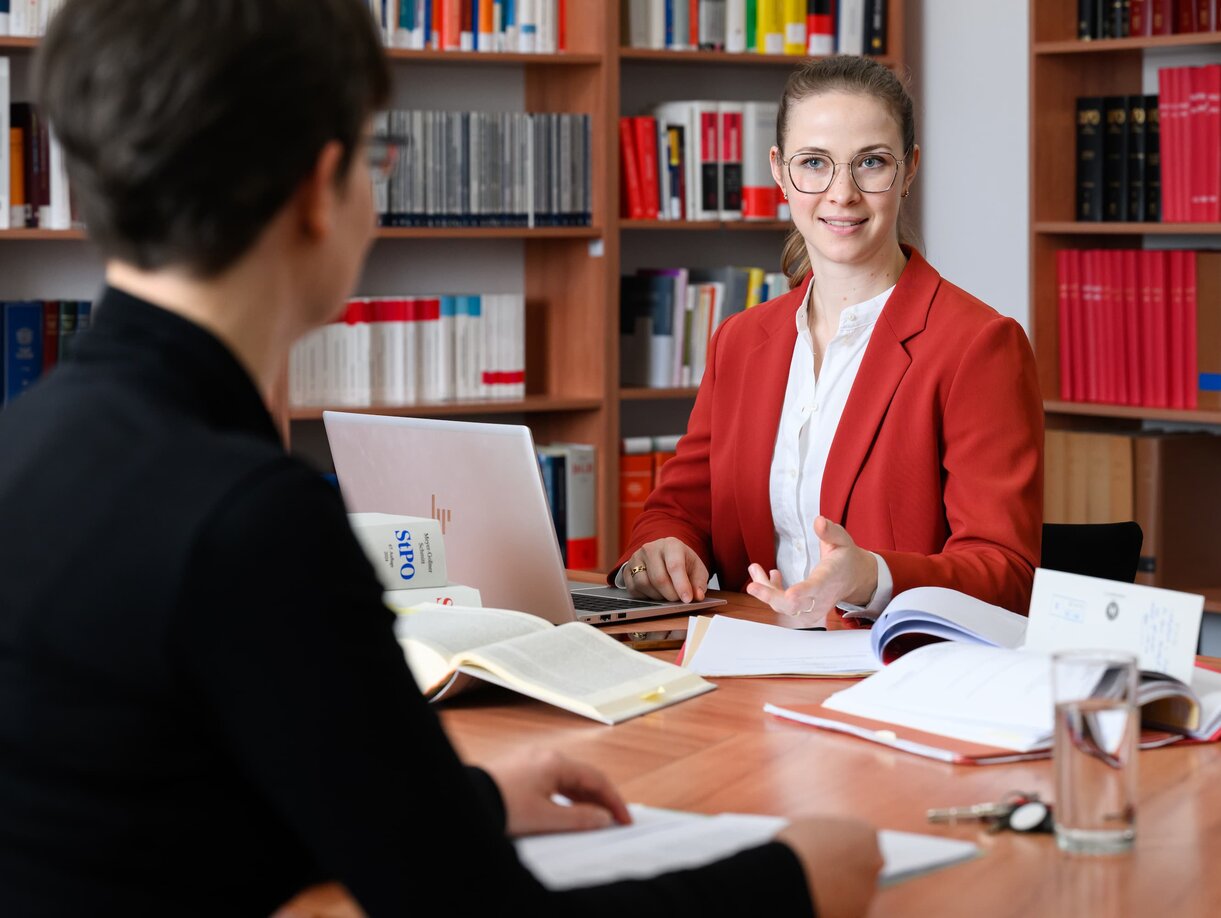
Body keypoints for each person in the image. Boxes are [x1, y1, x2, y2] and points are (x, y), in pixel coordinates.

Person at [0, 2, 882, 915]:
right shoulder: (252, 520)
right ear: (320, 187)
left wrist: (476, 802)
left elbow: (177, 800)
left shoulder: (26, 447)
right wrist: (797, 882)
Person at [616, 57, 1042, 626]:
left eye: (871, 162)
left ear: (910, 169)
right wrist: (662, 552)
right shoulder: (740, 342)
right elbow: (675, 512)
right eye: (814, 163)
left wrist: (872, 576)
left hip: (891, 677)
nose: (841, 193)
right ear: (780, 171)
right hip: (748, 667)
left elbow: (1008, 574)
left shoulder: (979, 345)